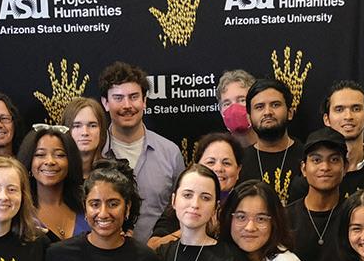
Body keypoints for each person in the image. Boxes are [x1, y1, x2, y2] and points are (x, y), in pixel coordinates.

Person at [99, 62, 184, 238]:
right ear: (105, 103)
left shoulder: (170, 153)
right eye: (118, 98)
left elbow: (182, 212)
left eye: (134, 97)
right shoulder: (95, 152)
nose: (127, 105)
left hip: (159, 254)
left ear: (144, 101)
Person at [145, 132, 242, 249]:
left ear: (238, 170)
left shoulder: (243, 204)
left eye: (226, 163)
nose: (218, 168)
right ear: (196, 166)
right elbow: (153, 246)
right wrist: (195, 228)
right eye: (211, 162)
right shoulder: (184, 203)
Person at [289, 127, 351, 261]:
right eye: (316, 160)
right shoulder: (285, 219)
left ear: (345, 167)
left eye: (334, 160)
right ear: (304, 168)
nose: (325, 167)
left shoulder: (353, 216)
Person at [238, 79, 300, 203]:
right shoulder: (239, 162)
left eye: (275, 105)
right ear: (249, 118)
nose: (267, 112)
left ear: (290, 113)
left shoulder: (308, 158)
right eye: (259, 107)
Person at [20, 125, 85, 241]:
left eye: (59, 155)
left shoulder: (87, 204)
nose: (50, 161)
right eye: (40, 155)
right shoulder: (19, 210)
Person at [322, 81, 364, 192]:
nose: (348, 116)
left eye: (356, 109)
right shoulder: (314, 174)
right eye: (339, 110)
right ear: (327, 119)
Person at [61, 96, 108, 178]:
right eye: (77, 126)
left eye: (92, 125)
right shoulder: (56, 173)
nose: (85, 132)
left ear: (101, 131)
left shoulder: (114, 174)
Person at [216, 68, 255, 147]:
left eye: (242, 100)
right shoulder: (219, 152)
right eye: (227, 104)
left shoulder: (273, 146)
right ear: (220, 110)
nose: (234, 110)